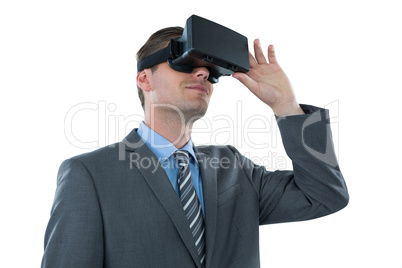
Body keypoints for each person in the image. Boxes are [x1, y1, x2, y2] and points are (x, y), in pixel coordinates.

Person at [41, 26, 349, 268]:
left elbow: (325, 196)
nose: (202, 73)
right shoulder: (89, 174)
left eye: (211, 72)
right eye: (186, 62)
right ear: (144, 79)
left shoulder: (234, 167)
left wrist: (286, 106)